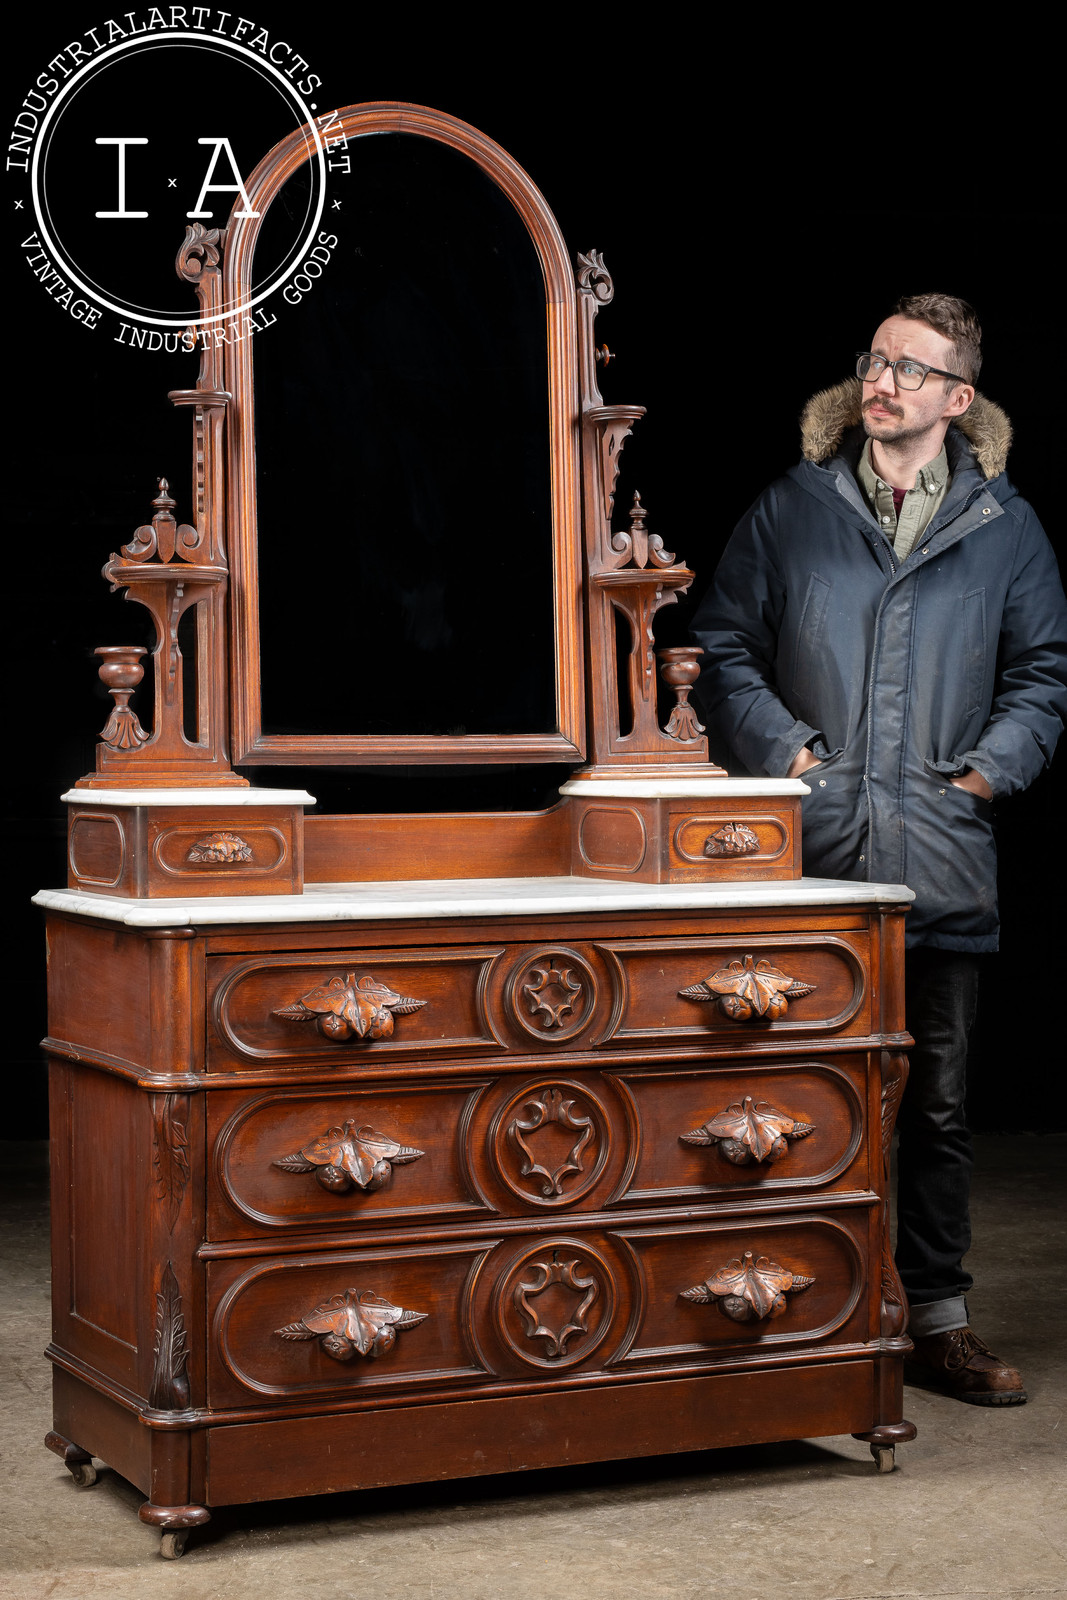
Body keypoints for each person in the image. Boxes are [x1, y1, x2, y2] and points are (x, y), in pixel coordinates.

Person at [691, 293, 1067, 1405]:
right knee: (790, 1096)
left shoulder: (1004, 527)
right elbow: (722, 645)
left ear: (957, 398)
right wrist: (791, 756)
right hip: (806, 856)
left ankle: (935, 1323)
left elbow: (1040, 676)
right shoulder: (791, 507)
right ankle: (794, 1315)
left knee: (935, 1108)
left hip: (937, 854)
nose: (880, 381)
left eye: (909, 368)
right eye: (873, 360)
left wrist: (981, 774)